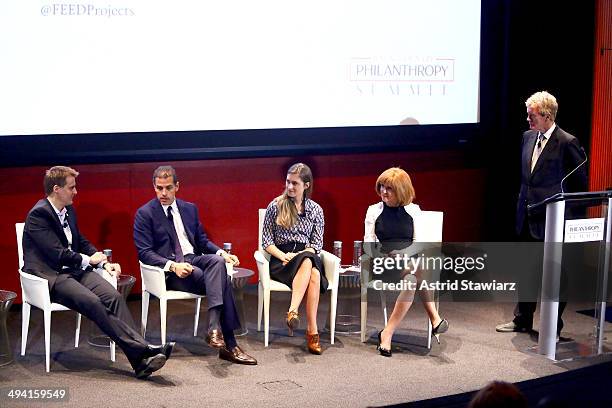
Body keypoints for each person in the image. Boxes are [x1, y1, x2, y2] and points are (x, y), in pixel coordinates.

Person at [22, 166, 173, 379]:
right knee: (92, 302)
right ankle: (144, 350)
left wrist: (102, 262)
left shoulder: (68, 210)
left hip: (74, 271)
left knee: (113, 297)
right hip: (50, 277)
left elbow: (80, 242)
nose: (76, 192)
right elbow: (57, 253)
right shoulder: (39, 215)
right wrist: (89, 260)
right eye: (71, 187)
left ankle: (140, 360)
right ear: (57, 189)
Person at [133, 165, 256, 365]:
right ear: (154, 186)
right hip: (171, 272)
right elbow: (145, 253)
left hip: (194, 259)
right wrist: (173, 266)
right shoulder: (145, 214)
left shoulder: (189, 209)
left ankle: (214, 328)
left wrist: (221, 252)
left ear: (177, 186)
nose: (163, 193)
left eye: (168, 188)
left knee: (217, 262)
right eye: (159, 188)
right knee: (222, 279)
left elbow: (201, 241)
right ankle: (230, 345)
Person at [496, 91, 587, 336]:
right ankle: (522, 319)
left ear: (546, 115)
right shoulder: (527, 137)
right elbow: (528, 179)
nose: (527, 119)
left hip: (552, 220)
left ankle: (552, 327)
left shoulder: (568, 142)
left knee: (556, 274)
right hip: (526, 215)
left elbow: (579, 185)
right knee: (526, 270)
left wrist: (571, 222)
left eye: (531, 115)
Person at [364, 167, 448, 357]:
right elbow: (368, 246)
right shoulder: (373, 211)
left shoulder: (413, 210)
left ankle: (387, 334)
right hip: (383, 263)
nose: (384, 192)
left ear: (401, 191)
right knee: (420, 269)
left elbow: (420, 244)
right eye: (382, 187)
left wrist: (403, 254)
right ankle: (435, 319)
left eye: (390, 188)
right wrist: (383, 256)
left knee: (412, 279)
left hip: (408, 262)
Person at [261, 163, 326, 354]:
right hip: (281, 261)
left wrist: (299, 255)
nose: (290, 187)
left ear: (306, 185)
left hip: (305, 255)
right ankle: (311, 332)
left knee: (310, 263)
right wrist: (283, 256)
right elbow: (266, 241)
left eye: (295, 183)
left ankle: (293, 312)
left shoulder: (316, 210)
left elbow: (316, 245)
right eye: (288, 182)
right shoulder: (276, 206)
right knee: (312, 269)